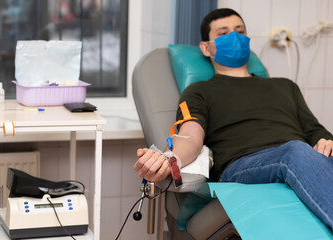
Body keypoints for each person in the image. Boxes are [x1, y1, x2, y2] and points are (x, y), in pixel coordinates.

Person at [133, 8, 333, 230]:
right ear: (205, 47)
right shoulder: (199, 91)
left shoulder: (285, 86)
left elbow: (315, 130)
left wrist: (326, 141)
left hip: (297, 158)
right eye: (223, 33)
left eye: (240, 31)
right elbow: (190, 135)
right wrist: (170, 160)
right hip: (243, 164)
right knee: (295, 151)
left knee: (301, 152)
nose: (234, 37)